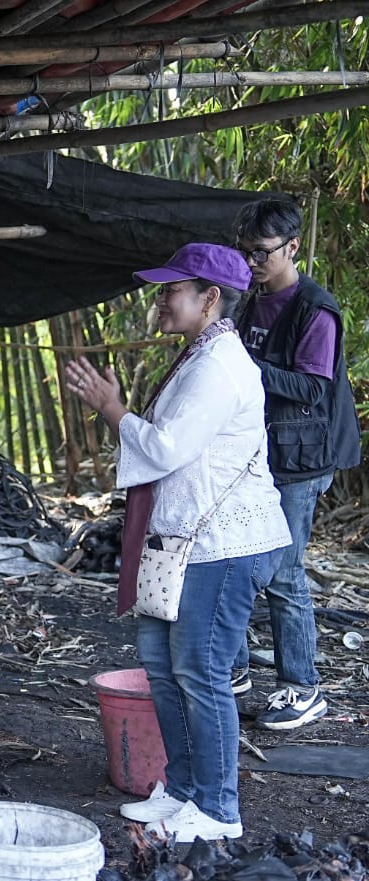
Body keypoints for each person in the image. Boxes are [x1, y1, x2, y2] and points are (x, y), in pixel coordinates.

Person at [66, 243, 290, 843]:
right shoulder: (200, 356)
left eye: (172, 289)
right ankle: (186, 789)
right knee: (164, 667)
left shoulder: (219, 366)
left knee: (201, 670)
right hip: (183, 540)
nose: (161, 299)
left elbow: (165, 449)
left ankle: (219, 810)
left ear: (209, 298)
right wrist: (119, 411)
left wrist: (113, 409)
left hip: (221, 544)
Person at [230, 199, 361, 729]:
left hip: (302, 458)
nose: (252, 263)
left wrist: (243, 366)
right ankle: (235, 668)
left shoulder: (315, 308)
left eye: (260, 253)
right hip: (257, 451)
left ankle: (302, 687)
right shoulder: (248, 300)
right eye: (245, 254)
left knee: (283, 573)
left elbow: (311, 387)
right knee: (234, 557)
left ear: (291, 247)